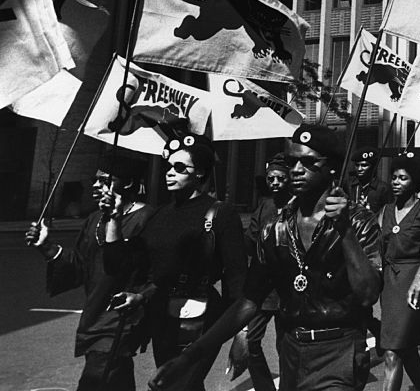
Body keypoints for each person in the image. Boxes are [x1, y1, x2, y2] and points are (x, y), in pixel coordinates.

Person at [148, 124, 383, 391]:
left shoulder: (359, 222)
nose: (295, 169)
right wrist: (190, 356)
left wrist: (345, 232)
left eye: (308, 162)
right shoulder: (275, 228)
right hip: (291, 351)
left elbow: (368, 293)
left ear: (332, 168)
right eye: (292, 161)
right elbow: (249, 301)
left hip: (338, 350)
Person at [104, 133, 247, 391]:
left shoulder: (220, 213)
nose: (170, 172)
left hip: (199, 316)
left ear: (200, 173)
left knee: (176, 384)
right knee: (181, 386)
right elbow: (120, 265)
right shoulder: (160, 214)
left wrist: (242, 333)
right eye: (169, 166)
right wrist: (113, 219)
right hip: (161, 315)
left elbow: (236, 278)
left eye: (180, 168)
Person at [24, 155, 155, 391]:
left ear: (125, 183)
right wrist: (47, 246)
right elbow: (80, 266)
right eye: (95, 180)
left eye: (104, 180)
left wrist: (115, 220)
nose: (95, 185)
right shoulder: (94, 219)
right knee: (115, 381)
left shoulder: (148, 218)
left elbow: (138, 270)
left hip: (121, 319)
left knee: (95, 380)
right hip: (94, 316)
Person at [378, 154, 420, 391]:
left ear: (414, 182)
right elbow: (377, 251)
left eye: (403, 178)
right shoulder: (384, 211)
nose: (396, 182)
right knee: (406, 348)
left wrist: (419, 277)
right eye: (394, 177)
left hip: (413, 283)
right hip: (389, 284)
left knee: (393, 351)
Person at [229, 154, 292, 391]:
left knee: (285, 345)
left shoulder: (297, 204)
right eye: (271, 179)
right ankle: (264, 386)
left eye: (280, 178)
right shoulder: (265, 204)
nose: (275, 183)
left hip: (287, 286)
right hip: (263, 287)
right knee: (251, 340)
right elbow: (250, 240)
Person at [348, 148, 390, 214]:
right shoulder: (349, 185)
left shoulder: (383, 189)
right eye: (357, 165)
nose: (359, 169)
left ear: (373, 167)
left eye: (364, 165)